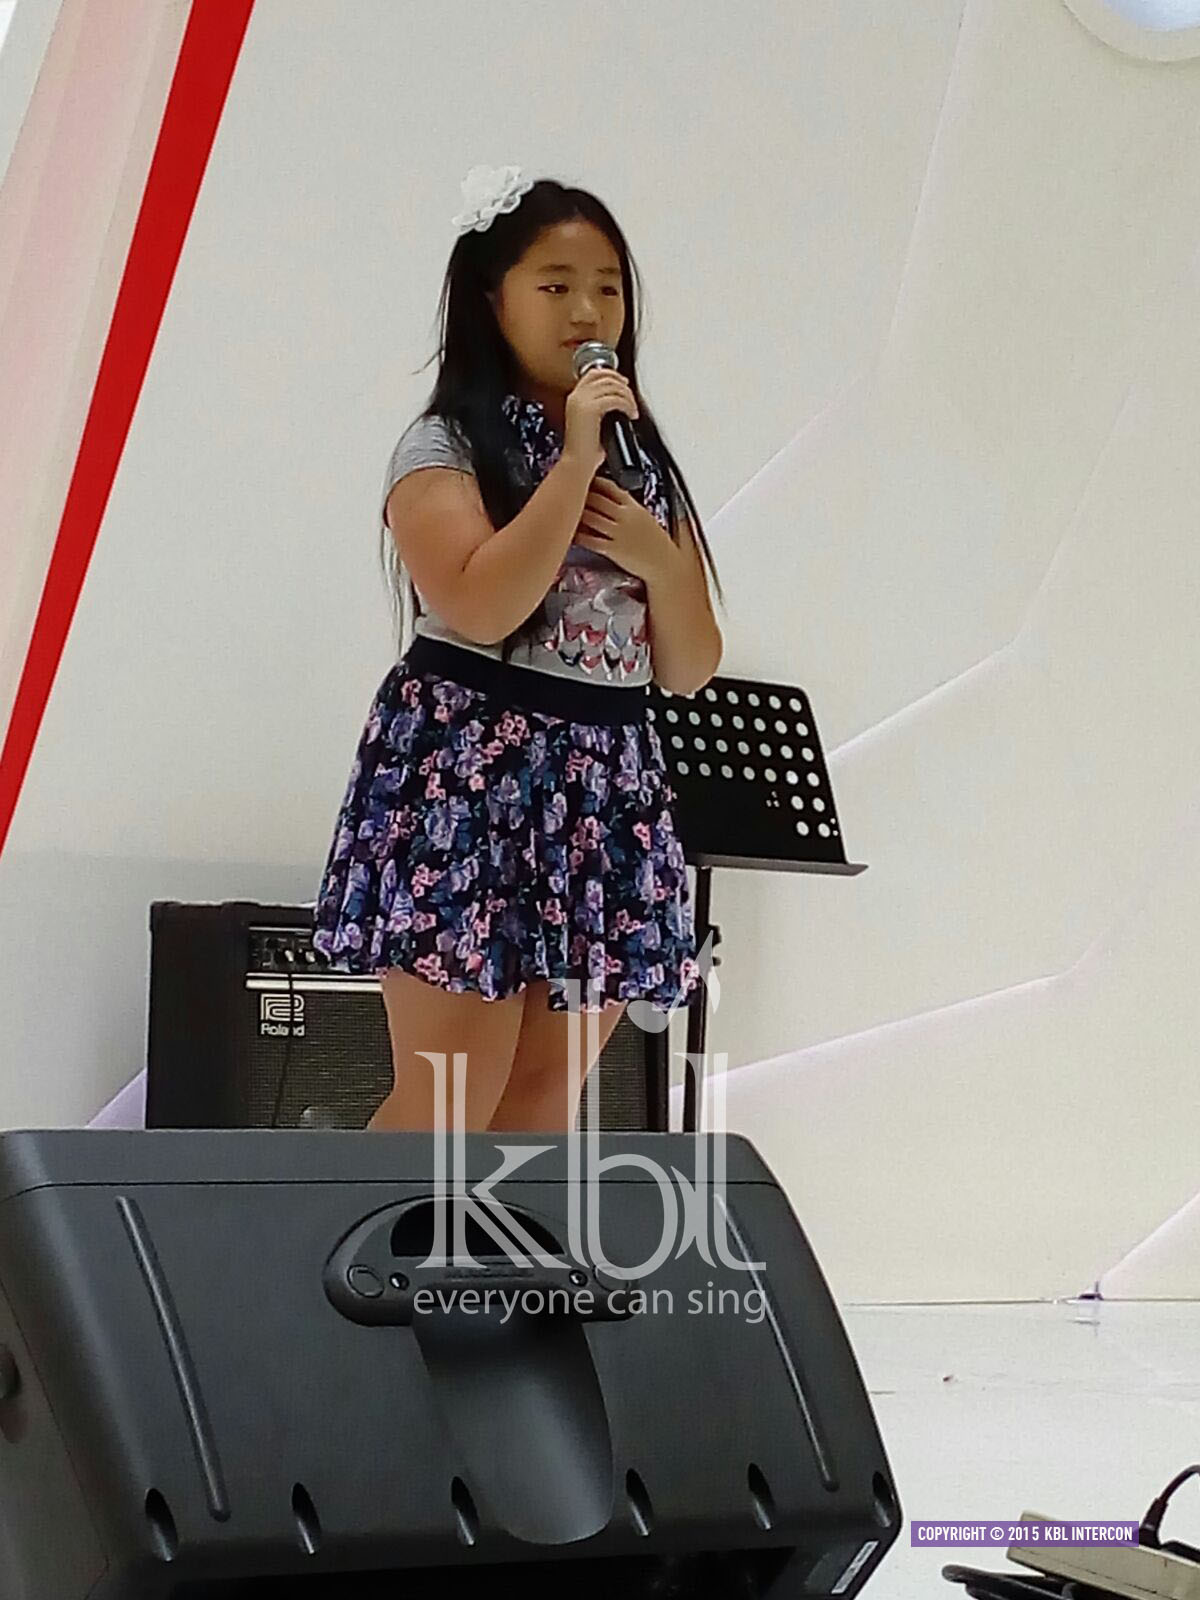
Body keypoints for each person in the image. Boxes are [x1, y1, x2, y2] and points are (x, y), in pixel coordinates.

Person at [311, 164, 726, 1135]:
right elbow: (484, 604)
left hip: (602, 788)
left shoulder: (644, 467)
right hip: (473, 777)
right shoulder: (444, 448)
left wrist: (659, 560)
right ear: (491, 299)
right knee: (451, 1096)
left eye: (608, 288)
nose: (587, 312)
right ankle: (367, 1242)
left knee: (542, 1100)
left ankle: (498, 1247)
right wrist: (572, 464)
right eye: (556, 285)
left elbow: (689, 666)